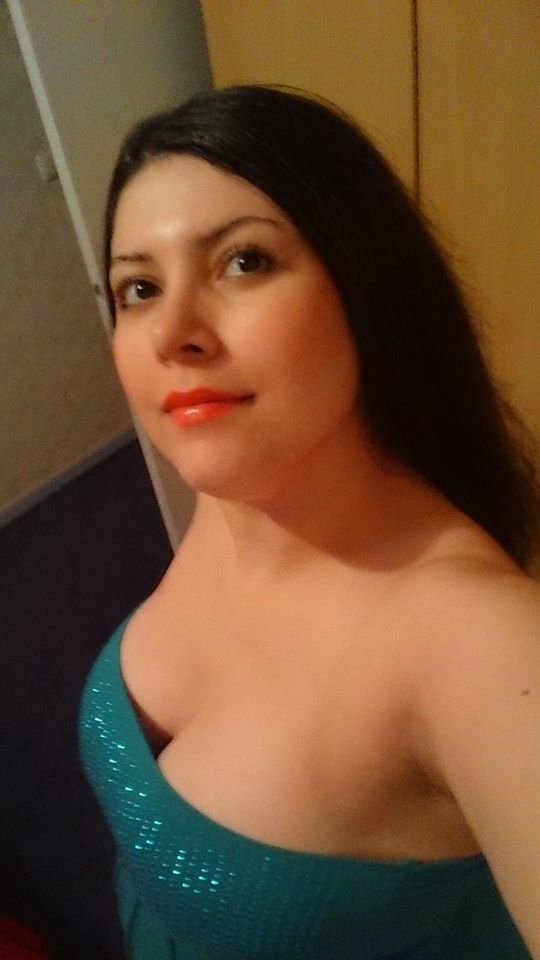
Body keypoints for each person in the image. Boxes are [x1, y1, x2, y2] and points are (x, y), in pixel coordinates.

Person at [80, 85, 540, 960]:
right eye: (138, 287)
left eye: (242, 262)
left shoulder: (482, 645)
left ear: (370, 286)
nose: (172, 331)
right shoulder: (238, 491)